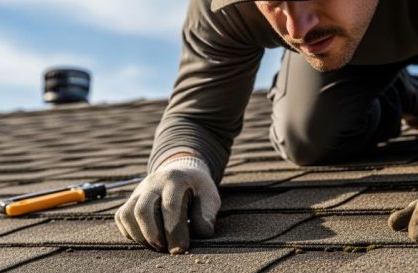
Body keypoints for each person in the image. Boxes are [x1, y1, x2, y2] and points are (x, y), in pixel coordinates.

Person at [115, 0, 418, 254]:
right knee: (307, 136)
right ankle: (402, 93)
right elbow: (198, 117)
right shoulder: (223, 7)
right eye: (273, 2)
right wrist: (180, 162)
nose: (297, 28)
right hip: (356, 61)